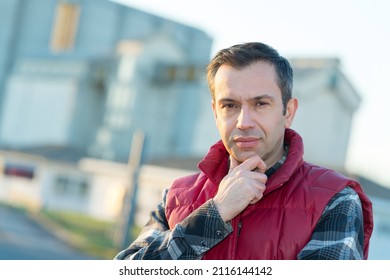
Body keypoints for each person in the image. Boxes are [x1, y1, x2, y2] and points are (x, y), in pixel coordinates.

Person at [114, 42, 373, 260]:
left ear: (288, 112)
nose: (243, 122)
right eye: (230, 105)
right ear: (216, 113)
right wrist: (215, 213)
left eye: (260, 103)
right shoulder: (177, 196)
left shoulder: (335, 200)